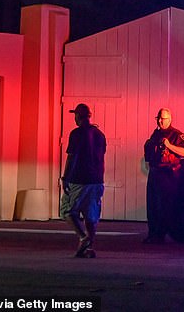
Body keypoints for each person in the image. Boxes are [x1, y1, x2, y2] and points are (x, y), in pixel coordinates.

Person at [60, 103, 106, 258]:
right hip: (96, 180)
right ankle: (88, 248)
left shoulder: (76, 134)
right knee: (90, 215)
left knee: (67, 210)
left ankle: (83, 237)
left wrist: (65, 177)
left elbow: (71, 157)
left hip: (79, 179)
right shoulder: (100, 135)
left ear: (78, 116)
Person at [143, 108, 184, 243]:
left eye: (162, 119)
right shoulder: (155, 134)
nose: (159, 121)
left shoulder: (176, 135)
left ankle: (161, 235)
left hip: (168, 174)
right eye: (158, 118)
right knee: (152, 205)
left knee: (164, 205)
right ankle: (153, 234)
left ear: (169, 119)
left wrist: (169, 146)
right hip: (155, 172)